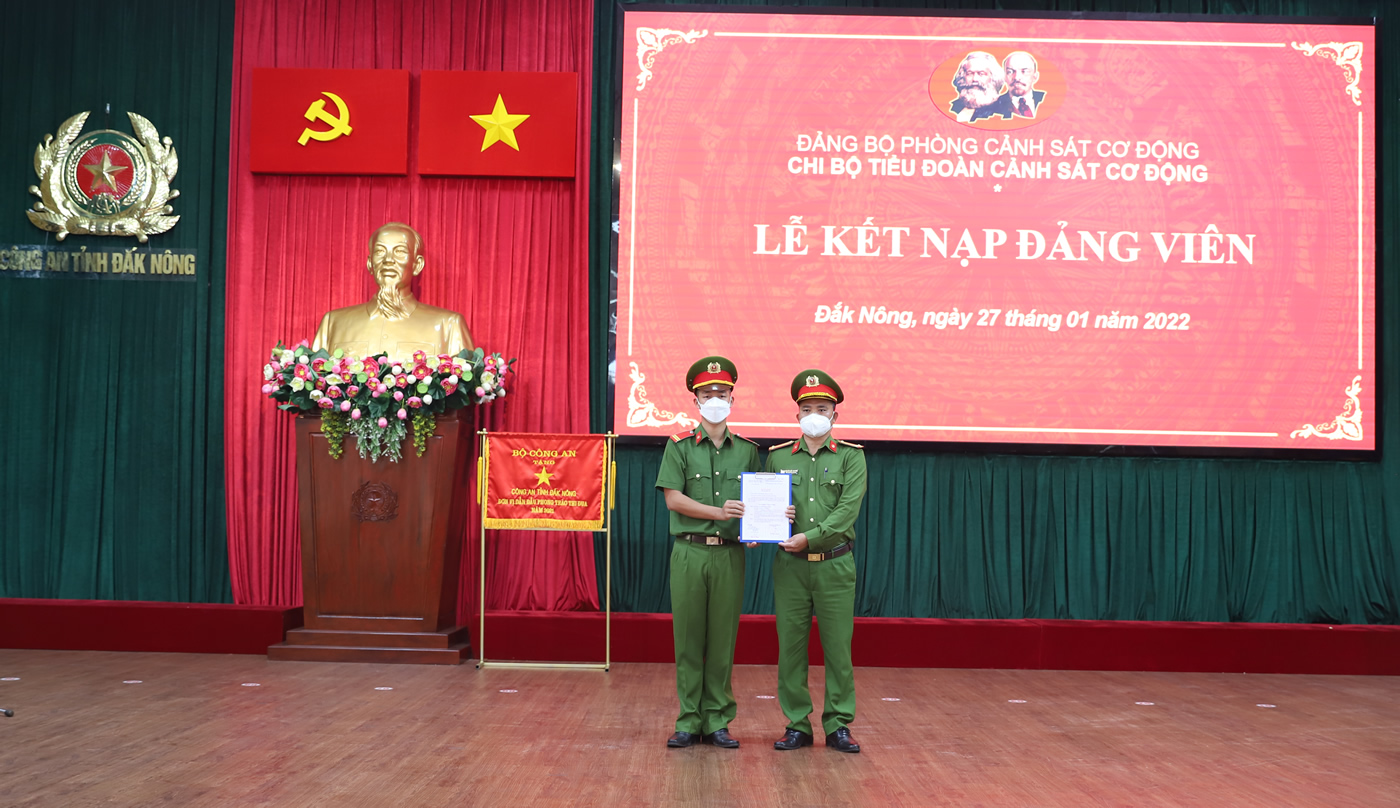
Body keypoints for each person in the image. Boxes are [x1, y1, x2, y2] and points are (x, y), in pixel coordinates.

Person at [654, 356, 762, 749]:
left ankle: (717, 720)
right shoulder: (679, 446)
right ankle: (688, 719)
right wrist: (718, 513)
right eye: (706, 393)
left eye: (721, 392)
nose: (714, 399)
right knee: (688, 639)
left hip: (730, 555)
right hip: (689, 552)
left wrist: (758, 529)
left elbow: (758, 501)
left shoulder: (747, 450)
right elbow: (673, 498)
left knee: (722, 641)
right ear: (695, 400)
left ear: (732, 397)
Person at [765, 370, 868, 753]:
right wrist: (760, 528)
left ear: (834, 415)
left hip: (834, 564)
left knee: (838, 648)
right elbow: (766, 506)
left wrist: (810, 536)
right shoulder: (777, 456)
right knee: (790, 648)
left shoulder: (852, 457)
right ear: (797, 415)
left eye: (822, 409)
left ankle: (838, 724)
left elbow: (846, 512)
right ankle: (797, 724)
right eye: (807, 409)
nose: (814, 415)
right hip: (790, 566)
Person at [311, 222, 473, 362]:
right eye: (380, 251)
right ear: (370, 264)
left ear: (417, 265)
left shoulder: (449, 325)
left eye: (400, 252)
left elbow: (464, 382)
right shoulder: (333, 323)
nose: (388, 260)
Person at [948, 51, 1009, 123]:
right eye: (969, 73)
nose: (975, 79)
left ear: (993, 77)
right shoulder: (952, 107)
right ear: (963, 77)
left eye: (981, 74)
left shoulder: (1003, 110)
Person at [1000, 51, 1046, 119]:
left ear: (1035, 77)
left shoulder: (1048, 99)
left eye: (1025, 71)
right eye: (1010, 72)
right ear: (1004, 77)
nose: (1017, 77)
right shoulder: (992, 106)